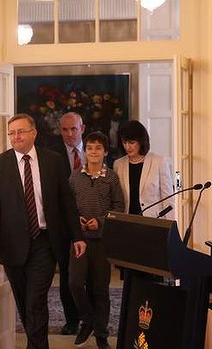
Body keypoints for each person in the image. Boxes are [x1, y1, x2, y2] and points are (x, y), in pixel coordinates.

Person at [0, 113, 87, 349]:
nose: (16, 137)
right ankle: (36, 343)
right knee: (24, 302)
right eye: (12, 133)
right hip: (12, 244)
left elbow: (66, 201)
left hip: (44, 242)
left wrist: (77, 235)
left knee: (35, 301)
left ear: (33, 133)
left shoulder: (53, 161)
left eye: (21, 131)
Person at [68, 131, 125, 349]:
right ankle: (87, 319)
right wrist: (77, 221)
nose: (93, 152)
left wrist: (100, 222)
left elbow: (119, 207)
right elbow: (69, 206)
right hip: (78, 240)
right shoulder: (74, 177)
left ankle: (101, 332)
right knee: (75, 283)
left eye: (98, 148)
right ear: (84, 151)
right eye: (90, 148)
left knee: (101, 288)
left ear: (105, 152)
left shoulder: (111, 177)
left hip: (102, 240)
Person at [48, 111, 86, 335]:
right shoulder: (52, 156)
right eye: (65, 129)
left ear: (82, 128)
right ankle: (72, 320)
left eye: (73, 129)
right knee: (66, 275)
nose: (69, 134)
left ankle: (91, 318)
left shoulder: (96, 151)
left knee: (90, 276)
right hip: (63, 226)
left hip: (92, 224)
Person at [113, 120, 174, 219]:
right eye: (124, 142)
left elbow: (168, 199)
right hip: (127, 220)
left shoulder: (159, 162)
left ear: (141, 141)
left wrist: (170, 226)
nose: (127, 147)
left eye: (131, 143)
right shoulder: (118, 164)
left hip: (153, 221)